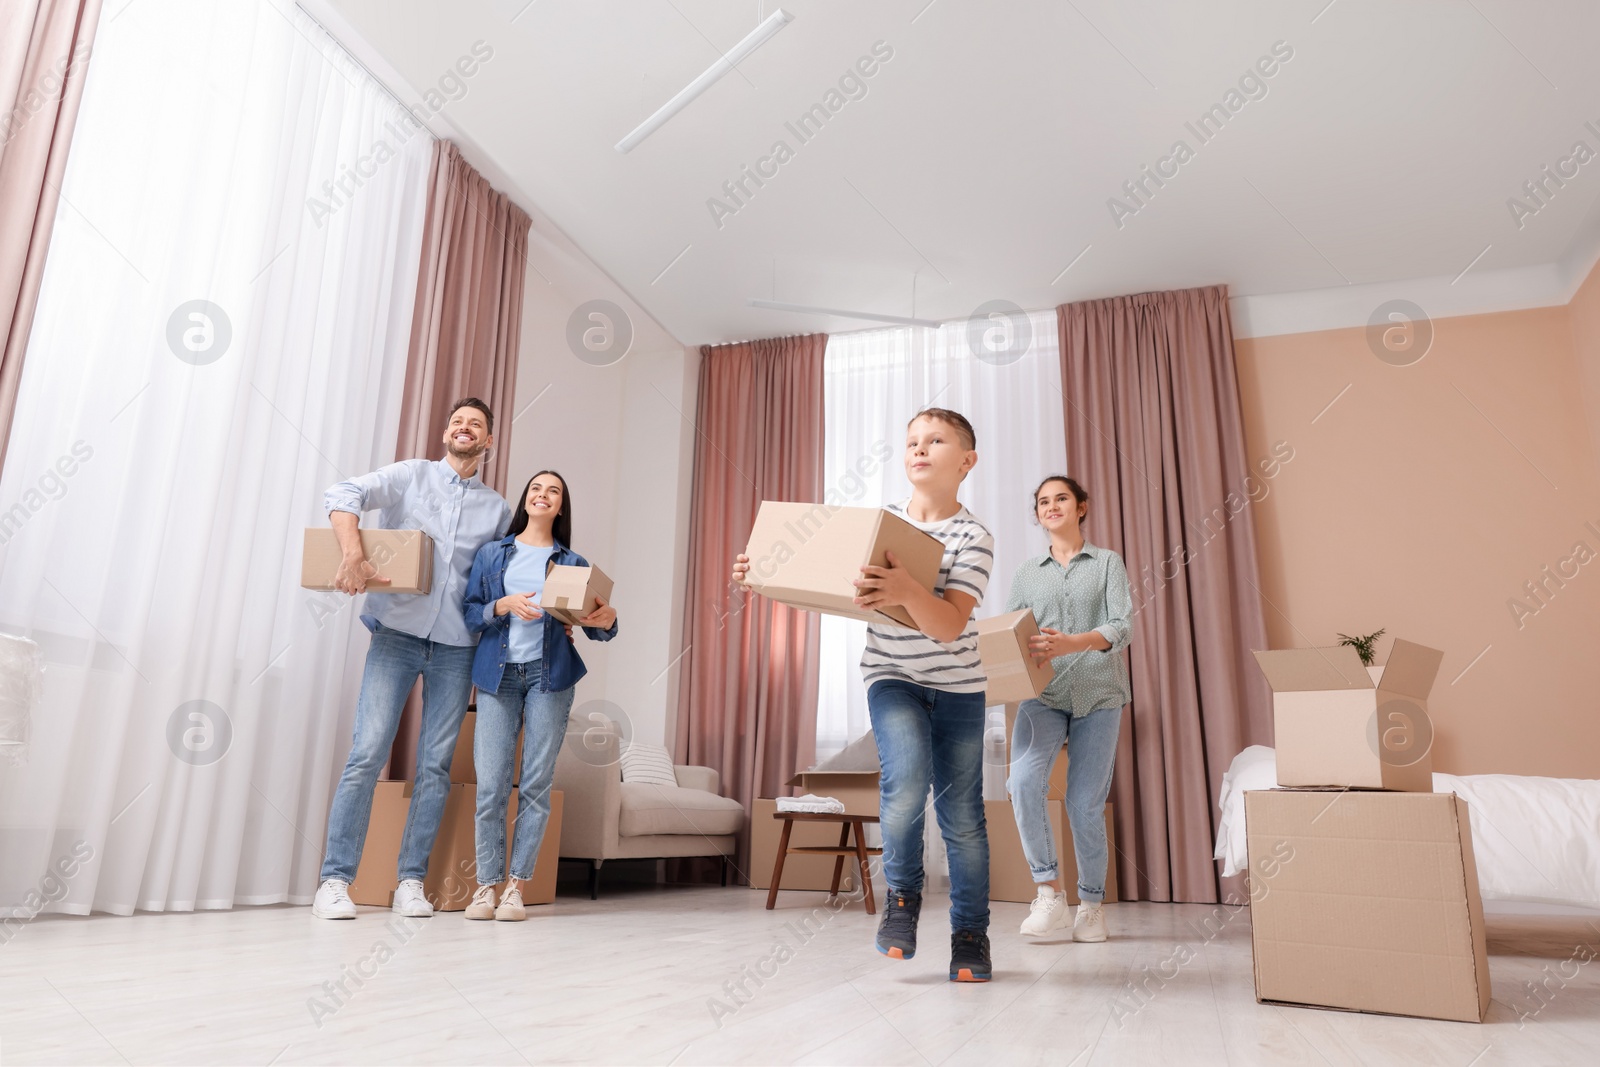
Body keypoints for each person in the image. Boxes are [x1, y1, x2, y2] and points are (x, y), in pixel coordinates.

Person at [734, 407, 996, 982]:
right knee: (903, 791)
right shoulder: (881, 525)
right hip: (892, 677)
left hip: (958, 688)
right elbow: (822, 585)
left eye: (935, 441)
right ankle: (902, 902)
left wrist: (905, 587)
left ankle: (970, 935)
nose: (919, 449)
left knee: (962, 817)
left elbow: (950, 625)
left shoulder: (974, 537)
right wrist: (764, 573)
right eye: (911, 442)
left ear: (967, 461)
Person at [312, 398, 511, 920]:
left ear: (487, 442)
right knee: (368, 752)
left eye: (476, 425)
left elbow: (498, 580)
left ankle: (411, 881)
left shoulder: (497, 509)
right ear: (447, 432)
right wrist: (353, 553)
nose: (464, 428)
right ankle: (334, 881)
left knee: (435, 766)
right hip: (396, 636)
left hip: (457, 647)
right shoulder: (410, 476)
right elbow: (343, 492)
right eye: (457, 421)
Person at [461, 470, 617, 920]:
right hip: (497, 676)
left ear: (561, 506)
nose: (543, 495)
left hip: (551, 678)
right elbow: (471, 613)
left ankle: (516, 887)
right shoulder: (494, 553)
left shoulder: (573, 562)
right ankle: (485, 886)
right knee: (491, 784)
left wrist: (606, 618)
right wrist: (502, 606)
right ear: (525, 501)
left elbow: (601, 628)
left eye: (553, 491)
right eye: (536, 489)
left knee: (534, 785)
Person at [1006, 476, 1131, 943]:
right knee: (1021, 781)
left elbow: (1122, 626)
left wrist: (1072, 643)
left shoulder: (1106, 563)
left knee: (1083, 804)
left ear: (1082, 506)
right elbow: (1012, 634)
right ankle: (1049, 893)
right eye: (1043, 501)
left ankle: (1092, 905)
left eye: (1061, 498)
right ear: (1037, 514)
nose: (1051, 506)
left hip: (1100, 694)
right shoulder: (1026, 573)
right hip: (1044, 696)